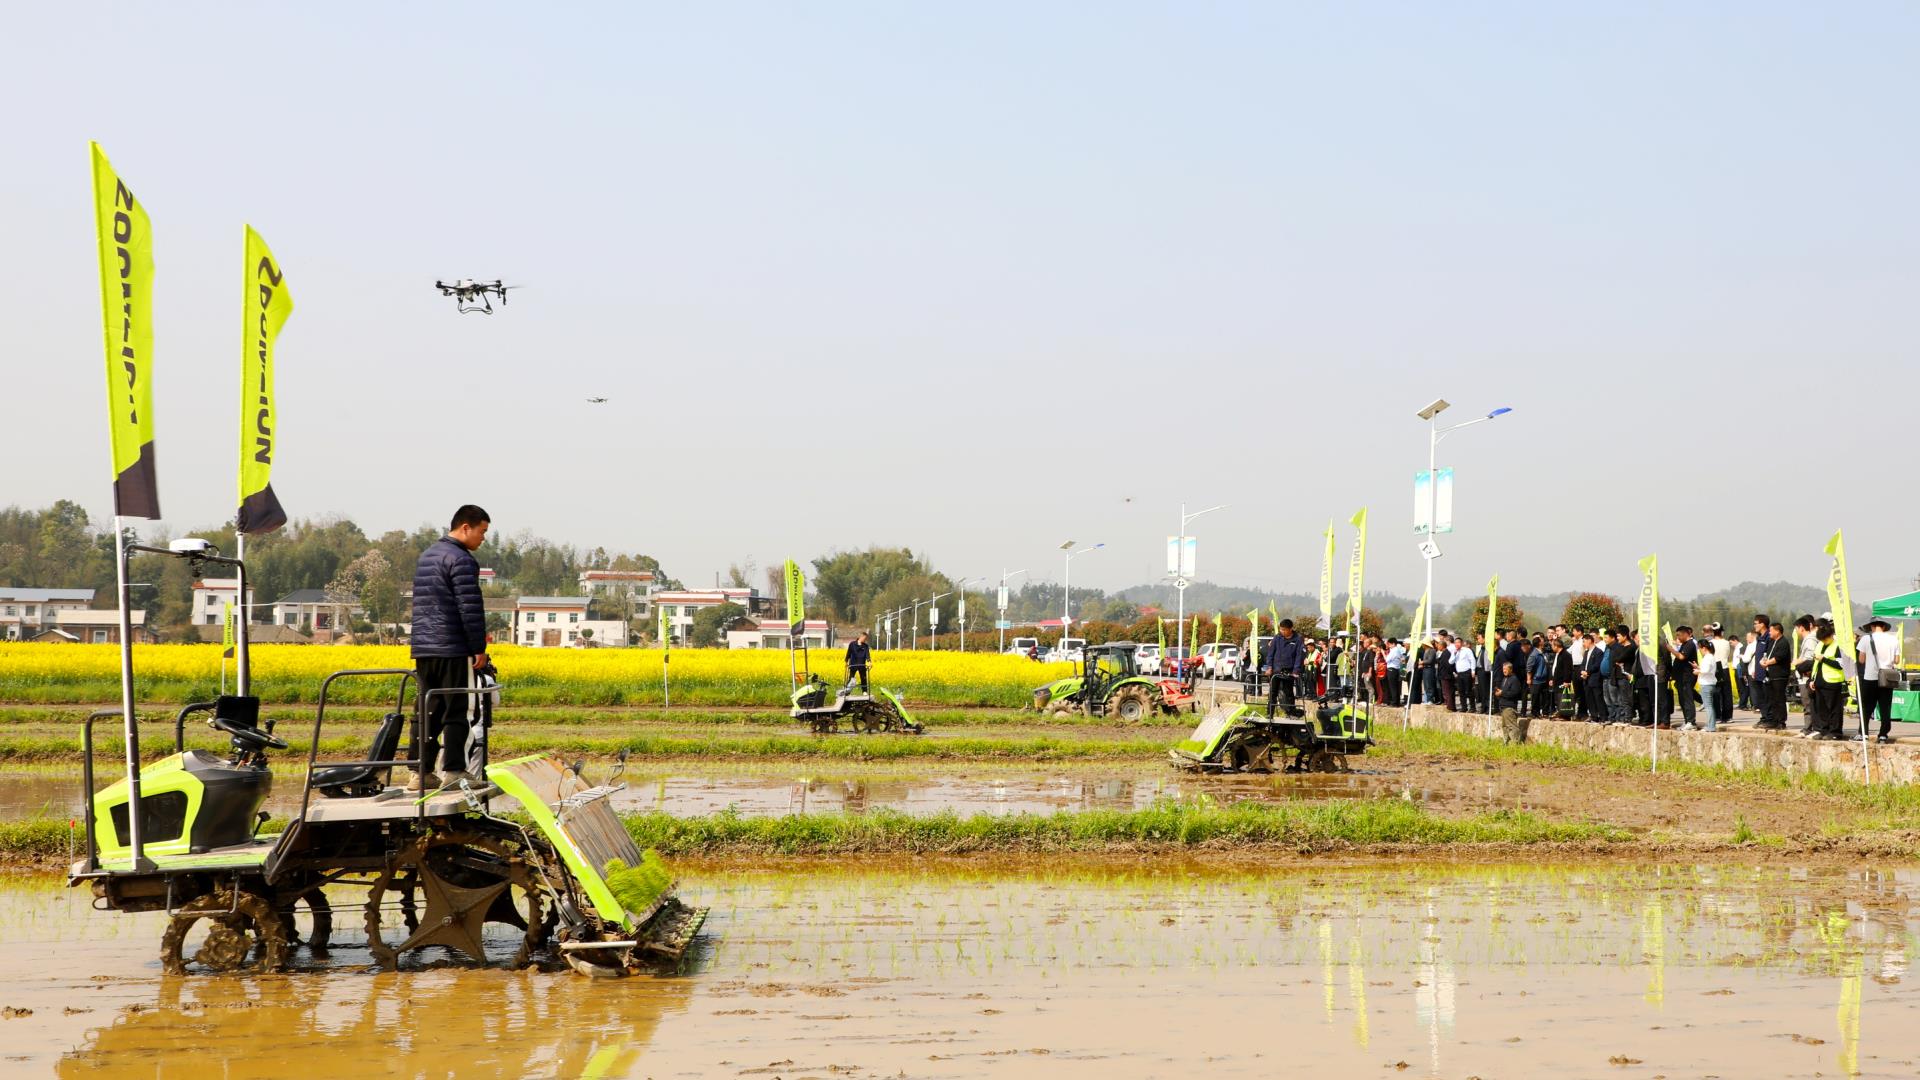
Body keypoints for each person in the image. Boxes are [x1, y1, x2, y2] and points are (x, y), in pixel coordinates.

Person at [409, 504, 491, 790]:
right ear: (465, 527)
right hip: (452, 646)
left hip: (424, 647)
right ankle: (454, 771)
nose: (483, 538)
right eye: (482, 531)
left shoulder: (427, 556)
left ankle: (419, 773)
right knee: (458, 709)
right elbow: (469, 608)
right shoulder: (462, 560)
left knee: (426, 710)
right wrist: (478, 647)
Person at [1802, 621, 1849, 740]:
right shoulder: (1820, 645)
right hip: (1819, 681)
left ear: (1831, 635)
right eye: (1821, 639)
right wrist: (1812, 679)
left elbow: (1841, 665)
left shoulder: (1838, 646)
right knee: (1821, 708)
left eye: (1825, 639)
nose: (1823, 641)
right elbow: (1815, 664)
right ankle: (1823, 730)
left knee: (1834, 709)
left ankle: (1835, 732)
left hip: (1833, 682)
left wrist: (1824, 659)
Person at [1858, 619, 1900, 743]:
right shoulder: (1893, 639)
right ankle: (1883, 735)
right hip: (1886, 678)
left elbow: (1861, 660)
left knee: (1866, 707)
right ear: (1884, 627)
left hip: (1870, 677)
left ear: (1872, 627)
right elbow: (1897, 660)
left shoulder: (1866, 639)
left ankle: (1863, 733)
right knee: (1885, 707)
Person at [1263, 619, 1304, 718]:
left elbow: (1299, 656)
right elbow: (1271, 653)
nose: (1282, 631)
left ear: (1290, 629)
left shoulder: (1298, 639)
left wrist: (1296, 670)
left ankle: (1290, 713)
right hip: (1276, 669)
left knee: (1288, 692)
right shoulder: (1277, 638)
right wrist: (1269, 667)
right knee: (1272, 692)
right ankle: (1269, 713)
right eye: (1281, 629)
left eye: (1284, 630)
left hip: (1289, 670)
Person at [1759, 618, 1792, 730]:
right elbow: (1767, 655)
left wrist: (1767, 663)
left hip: (1780, 675)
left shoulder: (1783, 642)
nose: (1769, 633)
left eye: (1771, 631)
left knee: (1779, 699)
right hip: (1771, 674)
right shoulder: (1772, 642)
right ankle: (1774, 720)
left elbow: (1778, 657)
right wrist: (1763, 661)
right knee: (1772, 699)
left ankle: (1781, 721)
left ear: (1777, 631)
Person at [1664, 626, 1698, 730]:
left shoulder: (1690, 644)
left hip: (1687, 676)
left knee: (1687, 699)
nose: (1678, 637)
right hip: (1680, 677)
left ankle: (1691, 722)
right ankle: (1687, 720)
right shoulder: (1684, 644)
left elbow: (1681, 656)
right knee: (1682, 699)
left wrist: (1670, 649)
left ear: (1685, 634)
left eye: (1679, 635)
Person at [1694, 634, 1722, 732]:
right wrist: (1698, 667)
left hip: (1707, 684)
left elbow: (1706, 670)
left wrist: (1697, 671)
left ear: (1704, 648)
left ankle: (1711, 727)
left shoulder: (1708, 657)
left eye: (1700, 648)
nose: (1699, 650)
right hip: (1709, 683)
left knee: (1708, 706)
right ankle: (1710, 725)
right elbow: (1707, 669)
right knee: (1710, 706)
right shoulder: (1710, 657)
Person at [1385, 638, 1407, 706]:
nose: (1388, 646)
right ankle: (1396, 702)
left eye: (1389, 644)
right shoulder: (1397, 650)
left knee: (1393, 687)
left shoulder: (1394, 650)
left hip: (1392, 669)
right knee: (1396, 686)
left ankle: (1394, 702)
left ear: (1393, 644)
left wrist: (1383, 653)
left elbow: (1387, 660)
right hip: (1396, 669)